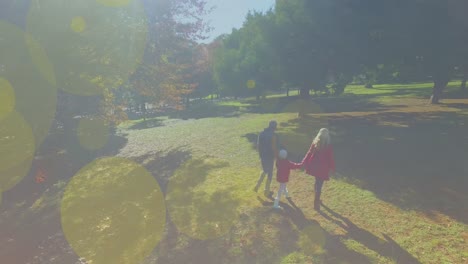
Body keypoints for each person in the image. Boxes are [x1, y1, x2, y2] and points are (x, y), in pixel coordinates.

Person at [301, 128, 335, 211]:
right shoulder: (328, 146)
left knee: (317, 182)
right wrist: (332, 168)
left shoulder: (315, 143)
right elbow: (330, 158)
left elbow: (309, 153)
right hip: (323, 168)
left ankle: (317, 198)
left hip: (315, 166)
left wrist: (303, 162)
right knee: (319, 184)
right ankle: (316, 201)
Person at [254, 120, 279, 196]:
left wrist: (260, 155)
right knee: (270, 173)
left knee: (265, 170)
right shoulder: (273, 135)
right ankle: (266, 191)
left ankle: (257, 186)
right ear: (274, 127)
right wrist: (276, 156)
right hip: (269, 156)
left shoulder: (261, 133)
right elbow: (273, 147)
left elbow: (258, 145)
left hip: (262, 155)